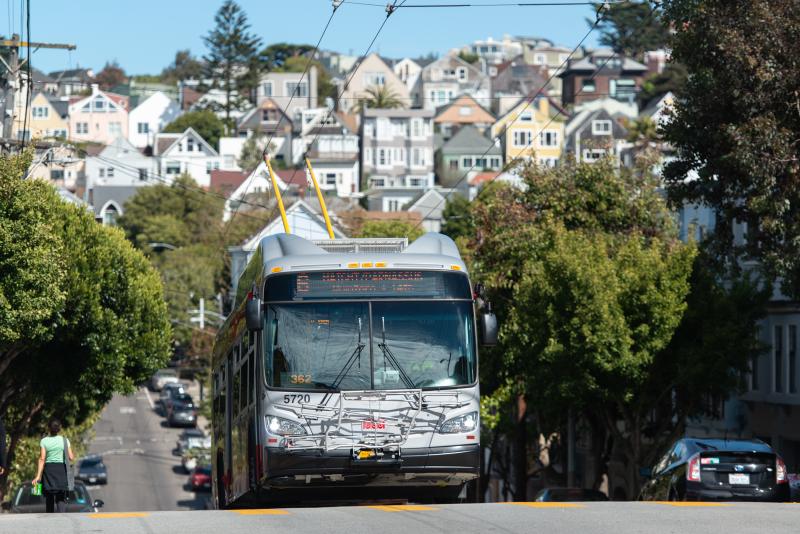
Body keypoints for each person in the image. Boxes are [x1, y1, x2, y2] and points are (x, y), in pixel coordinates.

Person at [31, 419, 74, 513]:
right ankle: (61, 518)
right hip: (61, 470)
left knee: (49, 496)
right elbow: (71, 457)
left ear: (49, 428)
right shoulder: (65, 441)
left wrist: (38, 476)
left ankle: (49, 519)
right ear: (59, 428)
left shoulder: (44, 441)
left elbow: (42, 459)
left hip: (48, 470)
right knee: (60, 496)